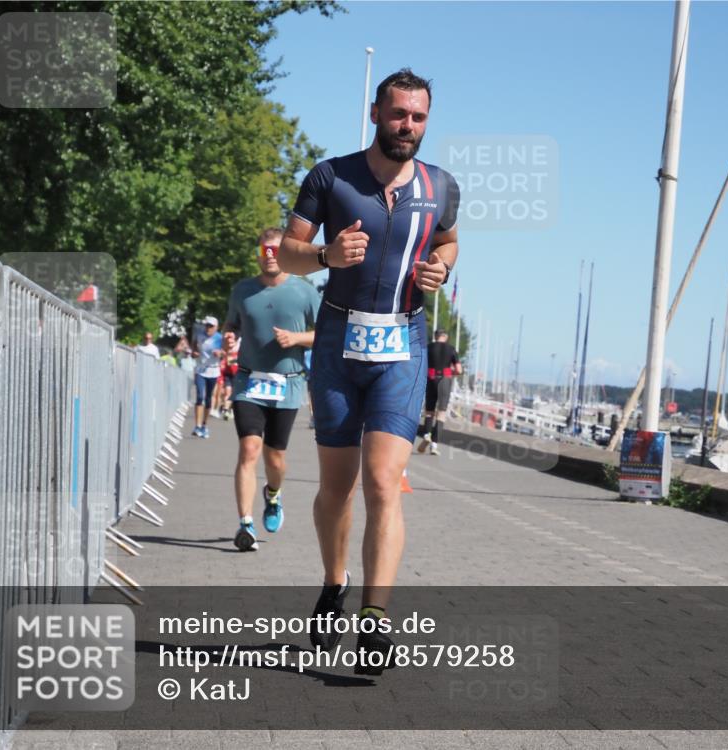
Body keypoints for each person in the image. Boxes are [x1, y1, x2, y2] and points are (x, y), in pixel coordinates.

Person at [278, 68, 459, 672]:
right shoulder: (330, 177)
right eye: (399, 113)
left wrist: (441, 269)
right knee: (337, 488)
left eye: (419, 117)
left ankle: (376, 622)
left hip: (402, 343)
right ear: (376, 113)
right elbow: (287, 253)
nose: (408, 125)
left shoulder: (440, 186)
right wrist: (325, 254)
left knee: (383, 482)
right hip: (337, 340)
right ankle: (335, 581)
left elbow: (448, 241)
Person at [224, 228, 319, 552]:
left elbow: (328, 333)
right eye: (264, 250)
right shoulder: (243, 290)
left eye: (275, 250)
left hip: (287, 384)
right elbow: (231, 324)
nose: (269, 256)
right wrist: (229, 337)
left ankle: (273, 494)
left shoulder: (304, 292)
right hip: (248, 382)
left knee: (275, 459)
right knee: (249, 449)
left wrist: (297, 339)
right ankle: (245, 524)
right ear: (258, 254)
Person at [417, 329, 461, 455]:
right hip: (445, 381)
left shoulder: (428, 348)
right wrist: (450, 372)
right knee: (441, 413)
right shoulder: (451, 349)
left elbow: (421, 365)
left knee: (429, 412)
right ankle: (434, 445)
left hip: (431, 379)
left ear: (435, 336)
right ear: (445, 337)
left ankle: (427, 434)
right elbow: (459, 370)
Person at [192, 316, 223, 438]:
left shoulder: (220, 338)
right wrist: (194, 353)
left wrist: (220, 353)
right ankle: (197, 425)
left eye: (211, 326)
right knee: (200, 396)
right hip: (200, 370)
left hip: (213, 371)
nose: (208, 328)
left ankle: (204, 425)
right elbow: (194, 347)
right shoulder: (199, 335)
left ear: (216, 327)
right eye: (207, 325)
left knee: (208, 398)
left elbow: (225, 352)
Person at [215, 330, 241, 420]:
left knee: (235, 394)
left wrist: (235, 360)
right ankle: (226, 410)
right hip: (228, 375)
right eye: (228, 341)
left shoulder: (240, 349)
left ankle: (231, 409)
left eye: (232, 341)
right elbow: (227, 363)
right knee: (228, 392)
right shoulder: (225, 350)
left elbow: (236, 361)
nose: (230, 343)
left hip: (238, 374)